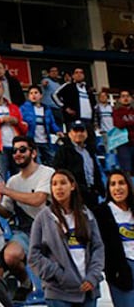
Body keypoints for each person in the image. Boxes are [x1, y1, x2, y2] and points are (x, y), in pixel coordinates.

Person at [28, 169, 104, 307]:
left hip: (87, 290)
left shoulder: (87, 215)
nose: (58, 188)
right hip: (58, 293)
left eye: (63, 183)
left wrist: (92, 276)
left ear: (72, 186)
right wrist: (59, 274)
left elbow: (98, 248)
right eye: (54, 184)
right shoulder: (43, 218)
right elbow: (34, 256)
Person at [0, 136, 55, 301]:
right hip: (25, 230)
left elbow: (38, 199)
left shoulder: (47, 173)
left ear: (33, 153)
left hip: (50, 229)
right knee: (10, 255)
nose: (18, 154)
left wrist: (4, 190)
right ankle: (25, 282)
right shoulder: (13, 181)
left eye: (22, 150)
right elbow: (6, 211)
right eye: (14, 151)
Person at [93, 170, 134, 306]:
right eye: (113, 184)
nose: (117, 188)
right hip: (120, 270)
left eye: (121, 183)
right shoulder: (101, 212)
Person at [52, 120, 104, 207]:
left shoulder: (90, 151)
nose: (79, 134)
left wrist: (100, 190)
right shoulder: (63, 151)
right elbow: (59, 171)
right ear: (69, 134)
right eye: (75, 131)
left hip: (92, 195)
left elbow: (95, 173)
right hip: (74, 196)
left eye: (82, 130)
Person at [20, 85, 63, 164]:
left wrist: (58, 131)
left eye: (36, 93)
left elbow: (52, 123)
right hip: (33, 141)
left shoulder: (46, 109)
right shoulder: (24, 108)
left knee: (53, 161)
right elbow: (20, 122)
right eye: (31, 93)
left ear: (41, 95)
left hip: (45, 140)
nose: (33, 95)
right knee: (37, 162)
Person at [53, 68, 96, 133]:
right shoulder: (68, 86)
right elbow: (54, 95)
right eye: (76, 73)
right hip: (74, 120)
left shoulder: (88, 88)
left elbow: (94, 103)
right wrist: (65, 107)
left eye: (81, 72)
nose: (79, 74)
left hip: (89, 121)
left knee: (90, 141)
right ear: (73, 76)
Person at [113, 89, 134, 173]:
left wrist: (126, 122)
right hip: (123, 143)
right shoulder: (116, 111)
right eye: (123, 96)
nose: (125, 98)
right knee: (126, 170)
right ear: (119, 99)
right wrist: (131, 123)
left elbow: (123, 123)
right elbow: (119, 124)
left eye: (127, 96)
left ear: (131, 98)